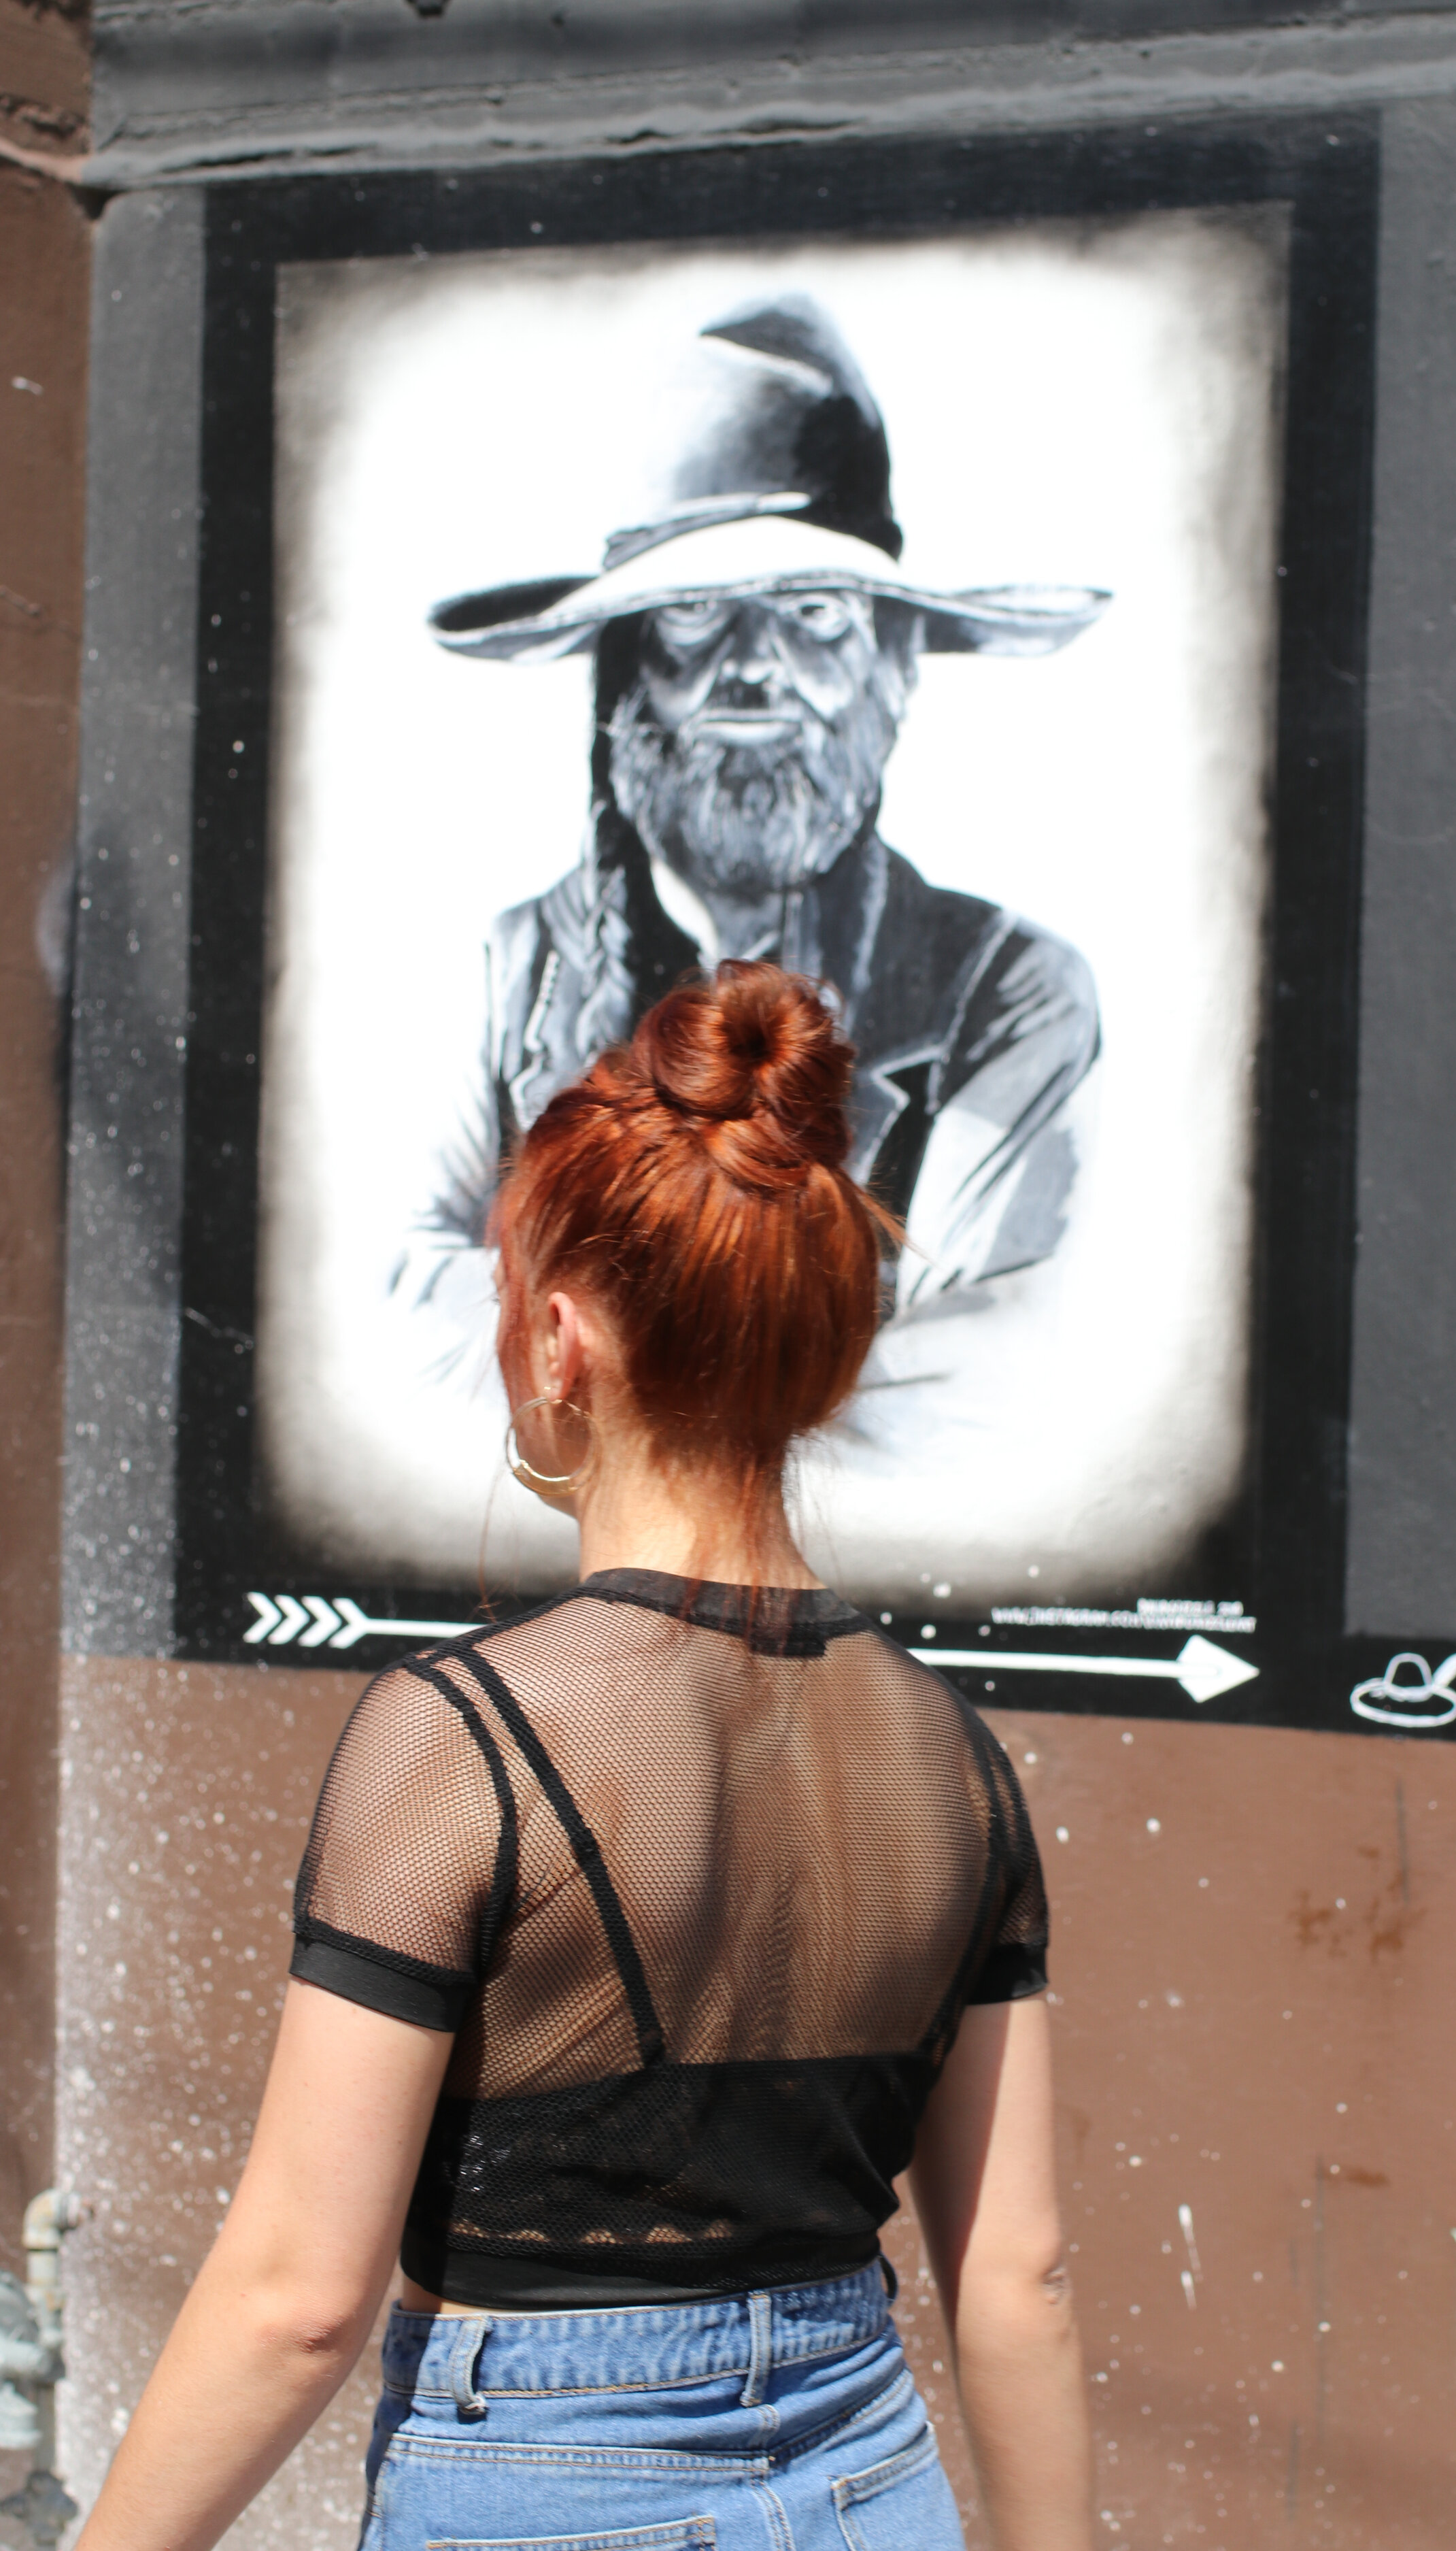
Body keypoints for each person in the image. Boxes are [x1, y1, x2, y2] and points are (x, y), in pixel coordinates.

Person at [80, 963, 1092, 2551]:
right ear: (812, 1357)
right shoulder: (952, 1760)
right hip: (871, 2479)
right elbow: (1013, 2275)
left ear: (559, 1340)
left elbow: (296, 2301)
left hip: (544, 2486)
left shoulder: (458, 1744)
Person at [399, 294, 1108, 1373]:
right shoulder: (507, 979)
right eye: (693, 614)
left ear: (898, 662)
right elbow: (403, 1318)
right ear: (622, 673)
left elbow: (974, 1389)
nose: (753, 665)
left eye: (816, 612)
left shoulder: (1006, 993)